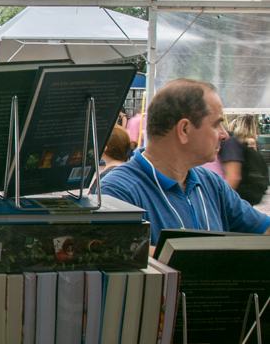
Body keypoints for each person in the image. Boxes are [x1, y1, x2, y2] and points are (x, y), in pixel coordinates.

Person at [102, 79, 270, 245]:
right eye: (217, 124)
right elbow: (120, 253)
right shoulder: (119, 191)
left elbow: (263, 229)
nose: (224, 134)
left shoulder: (211, 184)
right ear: (184, 129)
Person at [221, 114, 268, 205]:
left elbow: (234, 175)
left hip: (243, 188)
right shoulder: (250, 142)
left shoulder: (235, 142)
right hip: (249, 189)